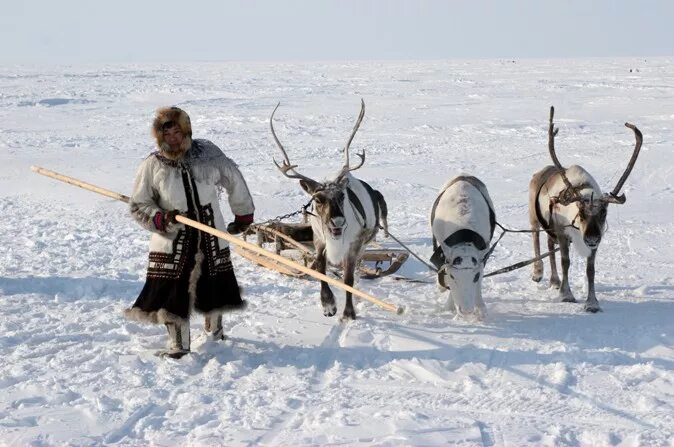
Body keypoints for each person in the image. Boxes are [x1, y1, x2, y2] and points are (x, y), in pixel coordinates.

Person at [124, 106, 255, 358]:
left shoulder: (208, 155)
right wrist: (160, 217)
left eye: (177, 132)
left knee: (214, 285)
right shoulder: (152, 165)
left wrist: (243, 214)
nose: (172, 138)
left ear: (187, 131)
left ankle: (214, 332)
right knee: (172, 292)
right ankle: (178, 344)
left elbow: (234, 179)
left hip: (210, 232)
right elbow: (139, 204)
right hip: (172, 237)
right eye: (167, 134)